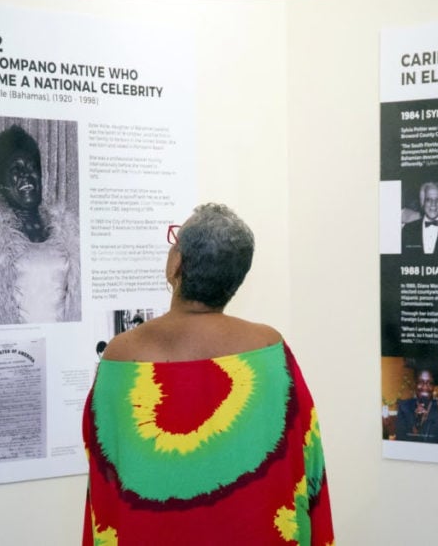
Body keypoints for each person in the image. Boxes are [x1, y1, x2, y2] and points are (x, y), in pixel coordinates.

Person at [82, 203, 334, 545]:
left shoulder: (121, 356)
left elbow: (104, 477)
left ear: (176, 264)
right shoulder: (270, 349)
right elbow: (307, 463)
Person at [0, 124, 81, 325]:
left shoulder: (68, 231)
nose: (26, 174)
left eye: (31, 167)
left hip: (63, 345)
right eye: (16, 170)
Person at [395, 367, 438, 443]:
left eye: (430, 383)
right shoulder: (404, 407)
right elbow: (400, 440)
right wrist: (416, 421)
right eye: (420, 382)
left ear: (433, 387)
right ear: (415, 385)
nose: (425, 387)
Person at [402, 181, 438, 256]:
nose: (433, 204)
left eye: (437, 200)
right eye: (428, 200)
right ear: (422, 202)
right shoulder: (408, 230)